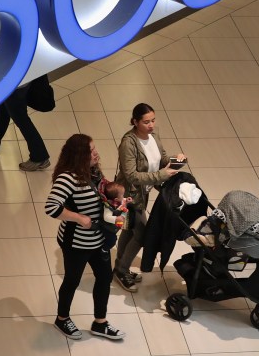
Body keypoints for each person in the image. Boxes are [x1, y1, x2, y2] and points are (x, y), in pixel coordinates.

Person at [44, 133, 125, 341]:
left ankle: (100, 323)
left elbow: (102, 196)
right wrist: (79, 217)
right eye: (91, 150)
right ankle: (62, 318)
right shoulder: (67, 178)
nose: (96, 153)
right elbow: (51, 208)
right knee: (72, 280)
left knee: (105, 277)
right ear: (80, 155)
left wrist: (116, 204)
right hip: (76, 242)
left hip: (98, 239)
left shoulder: (93, 171)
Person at [112, 103, 186, 291]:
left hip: (142, 194)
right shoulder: (128, 143)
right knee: (142, 234)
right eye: (146, 122)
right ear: (135, 122)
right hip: (129, 197)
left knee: (129, 231)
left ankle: (119, 269)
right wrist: (162, 175)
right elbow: (131, 175)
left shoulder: (153, 137)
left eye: (153, 120)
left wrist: (177, 161)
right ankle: (121, 270)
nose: (151, 125)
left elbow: (162, 160)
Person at [0, 83, 50, 171]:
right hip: (13, 82)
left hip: (15, 84)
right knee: (3, 108)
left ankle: (39, 156)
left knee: (21, 118)